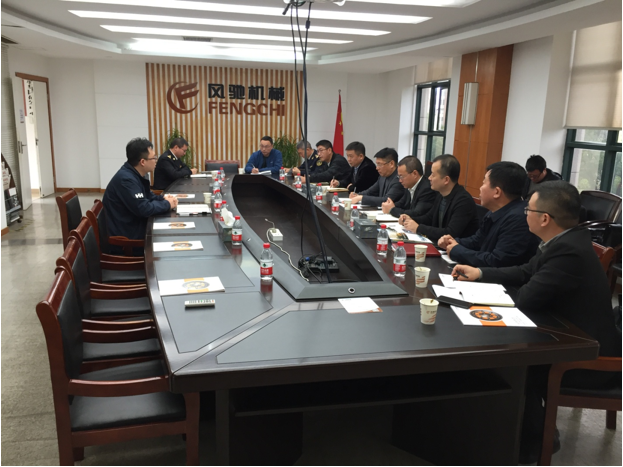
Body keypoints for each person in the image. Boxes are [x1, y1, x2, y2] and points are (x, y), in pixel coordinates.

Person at [451, 180, 621, 463]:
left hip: (586, 359)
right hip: (569, 334)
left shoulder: (568, 252)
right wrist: (480, 273)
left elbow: (526, 299)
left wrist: (482, 298)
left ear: (544, 218)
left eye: (528, 209)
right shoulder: (562, 240)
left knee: (514, 363)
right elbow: (525, 272)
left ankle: (534, 441)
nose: (524, 214)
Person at [438, 161, 539, 267]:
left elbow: (496, 261)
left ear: (497, 192)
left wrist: (457, 250)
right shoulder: (494, 212)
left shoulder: (518, 220)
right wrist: (452, 242)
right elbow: (477, 241)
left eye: (484, 183)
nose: (480, 188)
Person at [103, 138, 177, 253]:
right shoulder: (126, 180)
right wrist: (167, 204)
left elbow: (147, 196)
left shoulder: (137, 174)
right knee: (170, 241)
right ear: (142, 162)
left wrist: (163, 198)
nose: (156, 161)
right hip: (127, 239)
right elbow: (144, 209)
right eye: (153, 158)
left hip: (134, 225)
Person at [400, 154, 479, 243]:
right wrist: (410, 219)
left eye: (433, 175)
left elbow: (450, 233)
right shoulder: (441, 194)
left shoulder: (463, 201)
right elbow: (429, 218)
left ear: (446, 180)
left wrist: (418, 228)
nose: (429, 178)